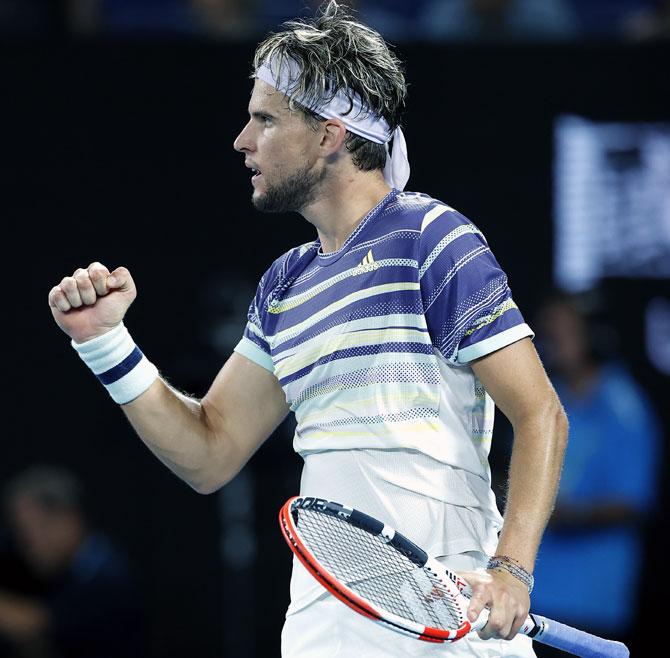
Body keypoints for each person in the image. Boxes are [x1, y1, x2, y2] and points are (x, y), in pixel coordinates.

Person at [47, 2, 568, 656]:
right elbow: (210, 453)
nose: (242, 139)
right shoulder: (284, 284)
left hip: (451, 628)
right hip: (325, 631)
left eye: (265, 118)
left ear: (329, 135)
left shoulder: (431, 241)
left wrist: (511, 570)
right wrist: (105, 344)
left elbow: (541, 413)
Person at [530, 295, 660, 653]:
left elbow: (633, 502)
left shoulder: (623, 406)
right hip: (533, 598)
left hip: (590, 605)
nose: (549, 340)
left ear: (593, 336)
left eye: (562, 331)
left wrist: (556, 513)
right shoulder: (546, 398)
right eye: (546, 332)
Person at [0, 466, 143, 658]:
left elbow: (31, 623)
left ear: (67, 520)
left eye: (29, 532)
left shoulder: (108, 575)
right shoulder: (79, 568)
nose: (27, 546)